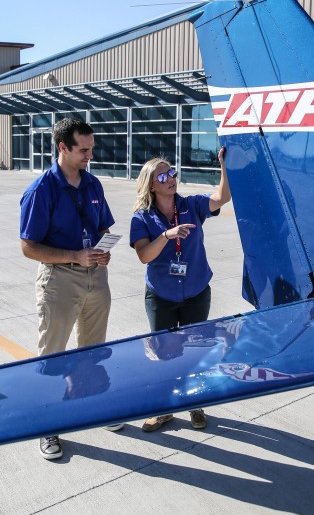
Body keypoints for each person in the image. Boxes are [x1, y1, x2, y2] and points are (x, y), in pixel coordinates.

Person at [19, 118, 121, 460]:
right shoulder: (41, 190)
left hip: (96, 276)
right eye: (83, 150)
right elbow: (29, 246)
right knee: (53, 356)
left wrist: (103, 249)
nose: (89, 155)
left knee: (93, 350)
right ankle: (47, 425)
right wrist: (75, 255)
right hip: (60, 279)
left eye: (91, 148)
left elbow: (104, 223)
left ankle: (92, 408)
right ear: (62, 147)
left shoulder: (92, 184)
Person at [130, 146, 231, 432]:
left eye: (172, 172)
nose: (171, 178)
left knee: (193, 349)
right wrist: (166, 235)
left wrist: (224, 165)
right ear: (151, 184)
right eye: (163, 176)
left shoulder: (192, 205)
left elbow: (222, 197)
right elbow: (144, 256)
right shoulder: (142, 218)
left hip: (196, 291)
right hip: (161, 296)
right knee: (163, 352)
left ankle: (194, 404)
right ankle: (163, 409)